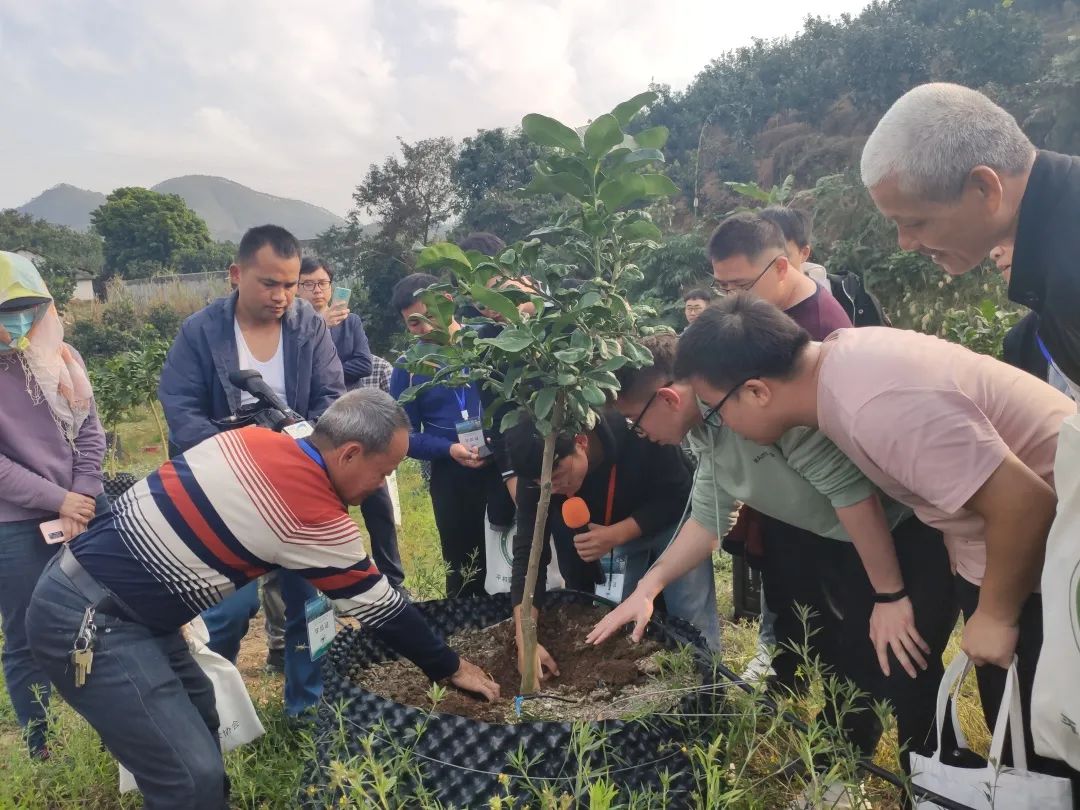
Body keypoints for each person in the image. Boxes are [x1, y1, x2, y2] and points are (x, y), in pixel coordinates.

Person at [25, 389, 499, 809]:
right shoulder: (310, 512)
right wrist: (451, 667)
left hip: (107, 598)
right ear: (351, 453)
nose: (381, 485)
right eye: (384, 472)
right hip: (92, 623)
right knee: (191, 777)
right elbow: (383, 610)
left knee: (199, 718)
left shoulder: (252, 440)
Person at [677, 293, 1075, 779]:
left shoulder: (869, 407)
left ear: (757, 391)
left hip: (1052, 560)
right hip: (1013, 551)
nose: (720, 425)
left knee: (1043, 745)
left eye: (717, 411)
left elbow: (1026, 503)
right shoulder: (844, 367)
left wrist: (995, 615)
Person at [592, 333, 956, 767]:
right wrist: (647, 589)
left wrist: (890, 594)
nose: (639, 435)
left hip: (906, 533)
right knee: (853, 656)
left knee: (907, 665)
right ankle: (840, 763)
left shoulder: (753, 409)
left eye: (636, 422)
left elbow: (855, 497)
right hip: (845, 540)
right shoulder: (704, 430)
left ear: (668, 399)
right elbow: (709, 518)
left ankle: (932, 779)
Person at [158, 225, 344, 717]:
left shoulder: (310, 328)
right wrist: (237, 454)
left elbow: (330, 399)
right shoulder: (202, 331)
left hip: (298, 486)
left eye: (289, 284)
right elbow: (181, 406)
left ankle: (308, 709)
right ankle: (213, 713)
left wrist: (301, 451)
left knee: (310, 604)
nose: (281, 296)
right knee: (228, 609)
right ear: (236, 275)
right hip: (226, 491)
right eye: (268, 283)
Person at [860, 81, 1080, 397]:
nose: (905, 242)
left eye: (914, 222)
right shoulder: (1060, 222)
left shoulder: (1071, 276)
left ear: (984, 189)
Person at [708, 213, 853, 680]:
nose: (730, 300)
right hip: (782, 499)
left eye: (739, 286)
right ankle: (783, 683)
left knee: (828, 617)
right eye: (721, 288)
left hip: (825, 505)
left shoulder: (822, 328)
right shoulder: (758, 316)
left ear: (782, 268)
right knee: (786, 598)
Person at [0, 251, 109, 758]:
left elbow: (90, 431)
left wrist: (82, 495)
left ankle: (115, 725)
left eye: (30, 306)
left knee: (109, 611)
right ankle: (43, 746)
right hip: (18, 524)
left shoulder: (65, 357)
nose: (20, 319)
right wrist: (58, 498)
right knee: (25, 634)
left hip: (84, 508)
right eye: (7, 309)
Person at [507, 409, 703, 686]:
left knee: (690, 612)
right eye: (545, 485)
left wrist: (618, 533)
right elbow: (528, 554)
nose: (556, 488)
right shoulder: (536, 475)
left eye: (560, 475)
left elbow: (679, 494)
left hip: (672, 523)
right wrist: (525, 642)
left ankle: (706, 687)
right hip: (610, 542)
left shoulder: (636, 431)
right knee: (617, 624)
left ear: (581, 443)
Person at [389, 273, 500, 598]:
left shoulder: (487, 344)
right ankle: (466, 632)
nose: (424, 328)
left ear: (447, 301)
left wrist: (497, 442)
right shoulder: (408, 366)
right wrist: (449, 449)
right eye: (413, 323)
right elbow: (405, 436)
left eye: (429, 316)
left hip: (500, 466)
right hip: (450, 475)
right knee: (461, 562)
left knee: (506, 554)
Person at [297, 257, 405, 589]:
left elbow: (362, 362)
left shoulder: (350, 321)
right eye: (309, 284)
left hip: (355, 420)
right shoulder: (294, 328)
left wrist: (328, 373)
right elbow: (300, 372)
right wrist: (318, 326)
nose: (318, 290)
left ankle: (393, 580)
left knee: (378, 502)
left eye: (323, 283)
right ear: (296, 288)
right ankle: (334, 584)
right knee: (326, 508)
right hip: (315, 426)